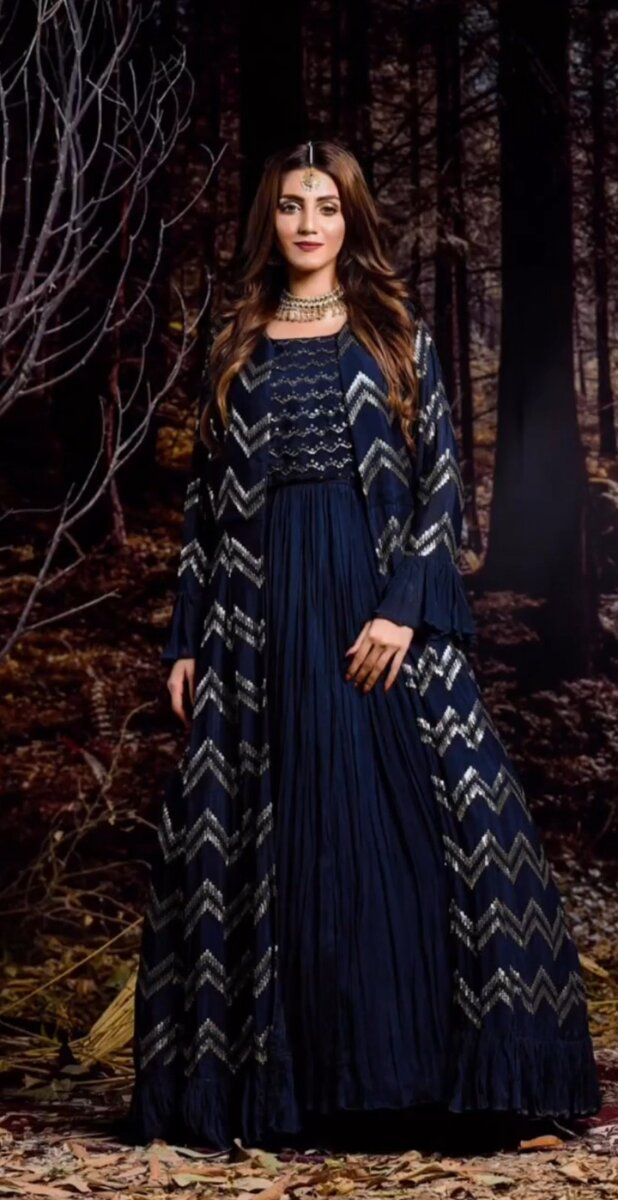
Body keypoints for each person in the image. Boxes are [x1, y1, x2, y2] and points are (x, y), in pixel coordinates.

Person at [127, 139, 601, 1153]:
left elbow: (440, 486)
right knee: (275, 836)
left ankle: (412, 1079)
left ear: (351, 220)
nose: (309, 223)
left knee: (412, 828)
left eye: (328, 206)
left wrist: (402, 611)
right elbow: (205, 508)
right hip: (258, 616)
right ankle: (294, 1092)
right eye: (291, 205)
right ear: (270, 221)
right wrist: (186, 638)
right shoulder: (235, 343)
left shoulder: (394, 335)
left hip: (374, 608)